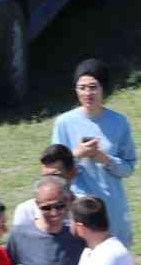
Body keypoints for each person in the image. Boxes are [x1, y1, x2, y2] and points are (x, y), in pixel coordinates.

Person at [52, 59, 136, 247]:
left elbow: (128, 168)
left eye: (93, 87)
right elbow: (54, 170)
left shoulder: (119, 122)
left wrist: (104, 158)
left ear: (103, 89)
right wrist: (76, 154)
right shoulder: (64, 123)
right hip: (78, 207)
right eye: (82, 88)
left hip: (112, 207)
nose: (87, 93)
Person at [12, 145, 78, 230]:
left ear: (73, 173)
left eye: (55, 176)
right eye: (45, 177)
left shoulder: (86, 209)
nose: (49, 182)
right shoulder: (26, 211)